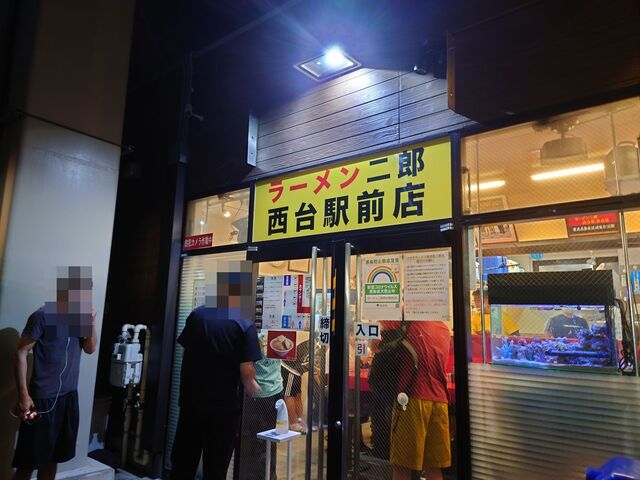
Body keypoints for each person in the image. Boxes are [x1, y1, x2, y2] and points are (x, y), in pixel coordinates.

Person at [171, 266, 262, 480]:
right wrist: (257, 392)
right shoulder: (243, 325)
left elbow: (185, 351)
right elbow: (246, 371)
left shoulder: (197, 315)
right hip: (223, 410)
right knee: (216, 468)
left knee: (183, 464)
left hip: (191, 403)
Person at [12, 267, 97, 480]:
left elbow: (90, 349)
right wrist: (23, 396)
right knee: (28, 462)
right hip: (41, 399)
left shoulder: (80, 319)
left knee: (53, 459)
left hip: (68, 399)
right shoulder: (42, 316)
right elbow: (21, 352)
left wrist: (90, 323)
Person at [390, 321, 451, 480]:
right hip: (440, 400)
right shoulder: (443, 328)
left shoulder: (405, 319)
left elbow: (376, 345)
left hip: (412, 399)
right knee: (434, 468)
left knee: (402, 467)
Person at [239, 332, 284, 480]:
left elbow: (245, 366)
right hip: (272, 390)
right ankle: (268, 475)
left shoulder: (249, 330)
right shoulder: (277, 331)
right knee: (266, 439)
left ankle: (263, 475)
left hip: (260, 392)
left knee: (258, 440)